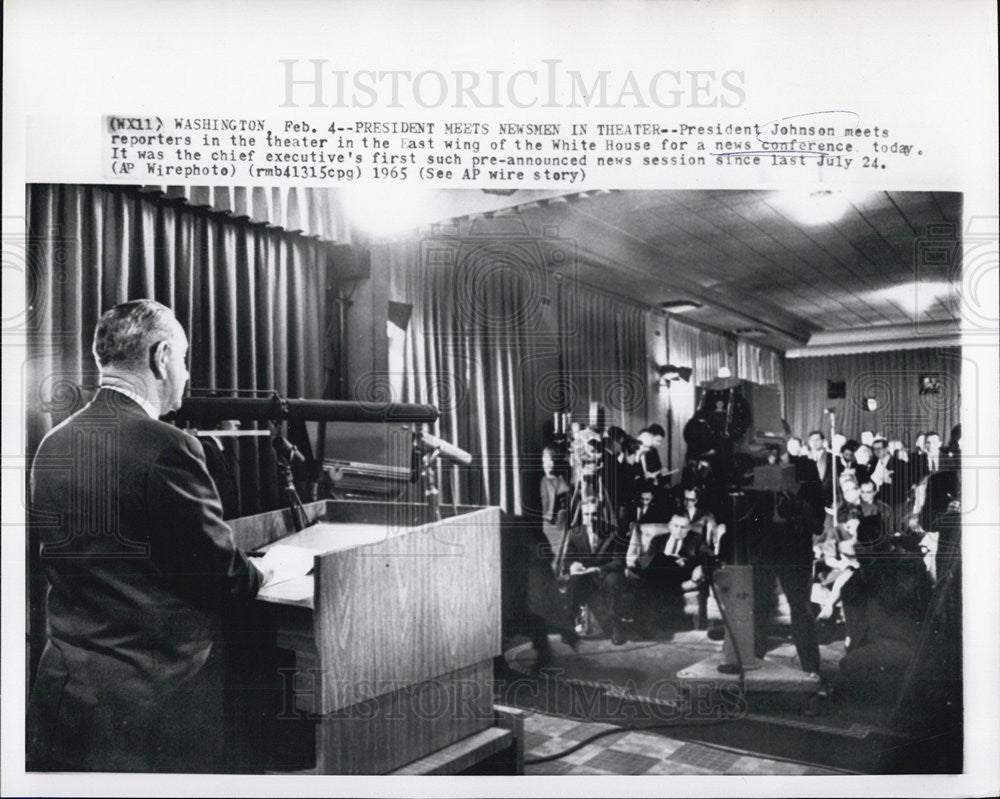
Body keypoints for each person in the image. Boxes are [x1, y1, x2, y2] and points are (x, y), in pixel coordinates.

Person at [26, 300, 297, 772]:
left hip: (63, 694)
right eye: (185, 359)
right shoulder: (168, 447)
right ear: (161, 357)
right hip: (152, 708)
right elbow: (223, 578)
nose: (187, 375)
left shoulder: (54, 443)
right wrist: (274, 566)